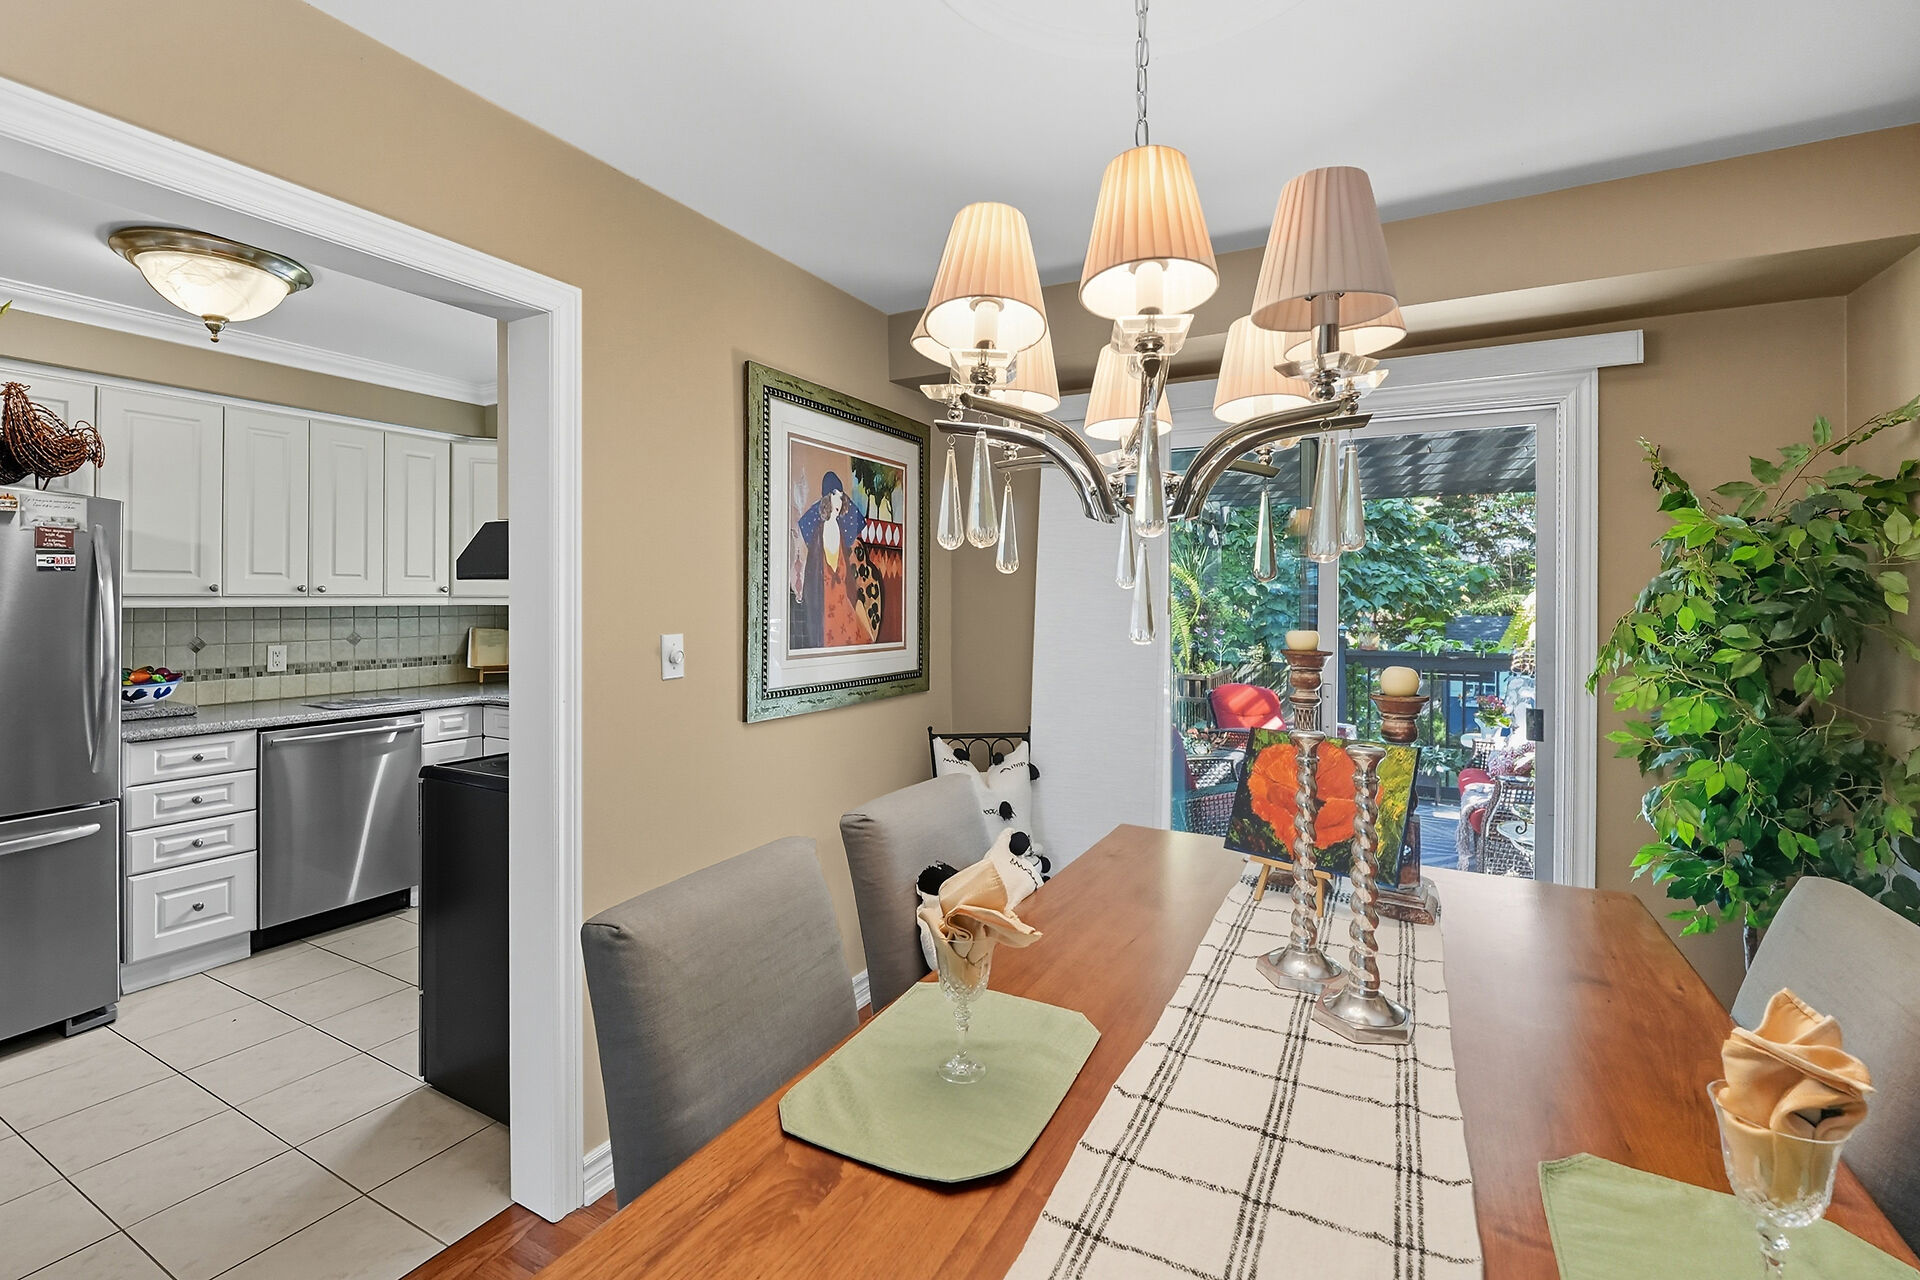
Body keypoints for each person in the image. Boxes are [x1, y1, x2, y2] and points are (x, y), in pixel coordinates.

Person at [791, 471, 878, 649]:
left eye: (840, 496)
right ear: (826, 498)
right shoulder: (818, 532)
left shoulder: (840, 530)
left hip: (842, 599)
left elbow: (844, 567)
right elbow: (814, 570)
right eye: (834, 495)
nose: (838, 501)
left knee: (859, 639)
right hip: (825, 602)